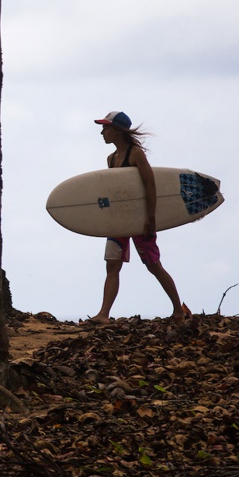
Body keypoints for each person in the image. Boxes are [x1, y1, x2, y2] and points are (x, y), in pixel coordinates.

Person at [87, 111, 185, 325]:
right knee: (112, 266)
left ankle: (179, 310)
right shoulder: (111, 159)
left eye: (106, 127)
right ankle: (103, 314)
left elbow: (150, 184)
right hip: (119, 222)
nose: (102, 132)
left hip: (139, 219)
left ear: (119, 131)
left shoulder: (136, 154)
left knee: (153, 265)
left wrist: (151, 217)